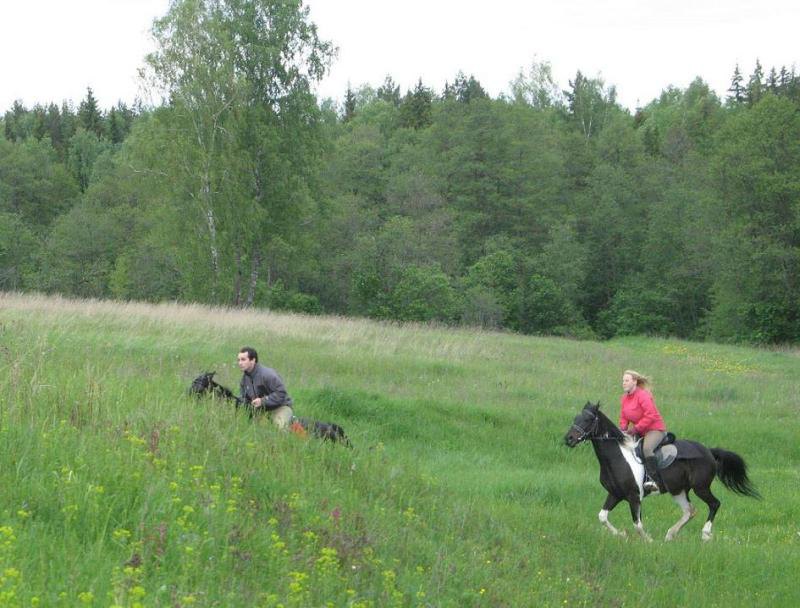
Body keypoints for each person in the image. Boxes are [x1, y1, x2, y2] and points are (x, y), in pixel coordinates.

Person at [620, 370, 668, 493]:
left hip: (655, 429)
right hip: (640, 431)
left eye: (627, 380)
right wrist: (622, 430)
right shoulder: (624, 398)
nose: (623, 383)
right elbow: (624, 417)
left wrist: (636, 428)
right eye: (623, 381)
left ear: (634, 382)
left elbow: (651, 415)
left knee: (647, 449)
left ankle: (656, 481)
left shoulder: (643, 395)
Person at [237, 346, 294, 430]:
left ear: (253, 360)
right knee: (253, 430)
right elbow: (244, 398)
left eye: (243, 359)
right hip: (261, 411)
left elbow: (281, 393)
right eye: (238, 360)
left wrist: (263, 401)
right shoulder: (244, 379)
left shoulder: (267, 374)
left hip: (281, 407)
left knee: (280, 428)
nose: (240, 363)